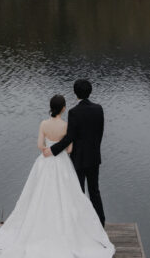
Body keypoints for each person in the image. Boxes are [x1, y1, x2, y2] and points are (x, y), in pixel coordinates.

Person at [0, 92, 114, 258]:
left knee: (39, 196)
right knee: (68, 196)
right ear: (63, 108)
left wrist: (47, 150)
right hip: (62, 163)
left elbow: (39, 145)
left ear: (51, 107)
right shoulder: (66, 125)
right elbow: (69, 148)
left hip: (45, 162)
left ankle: (39, 227)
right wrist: (61, 149)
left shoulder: (43, 124)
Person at [44, 78, 106, 226]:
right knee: (94, 191)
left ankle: (80, 224)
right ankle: (100, 222)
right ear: (90, 91)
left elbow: (69, 138)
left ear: (75, 93)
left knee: (78, 192)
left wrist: (52, 149)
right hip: (94, 157)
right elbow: (100, 133)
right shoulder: (99, 109)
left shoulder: (74, 112)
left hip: (79, 159)